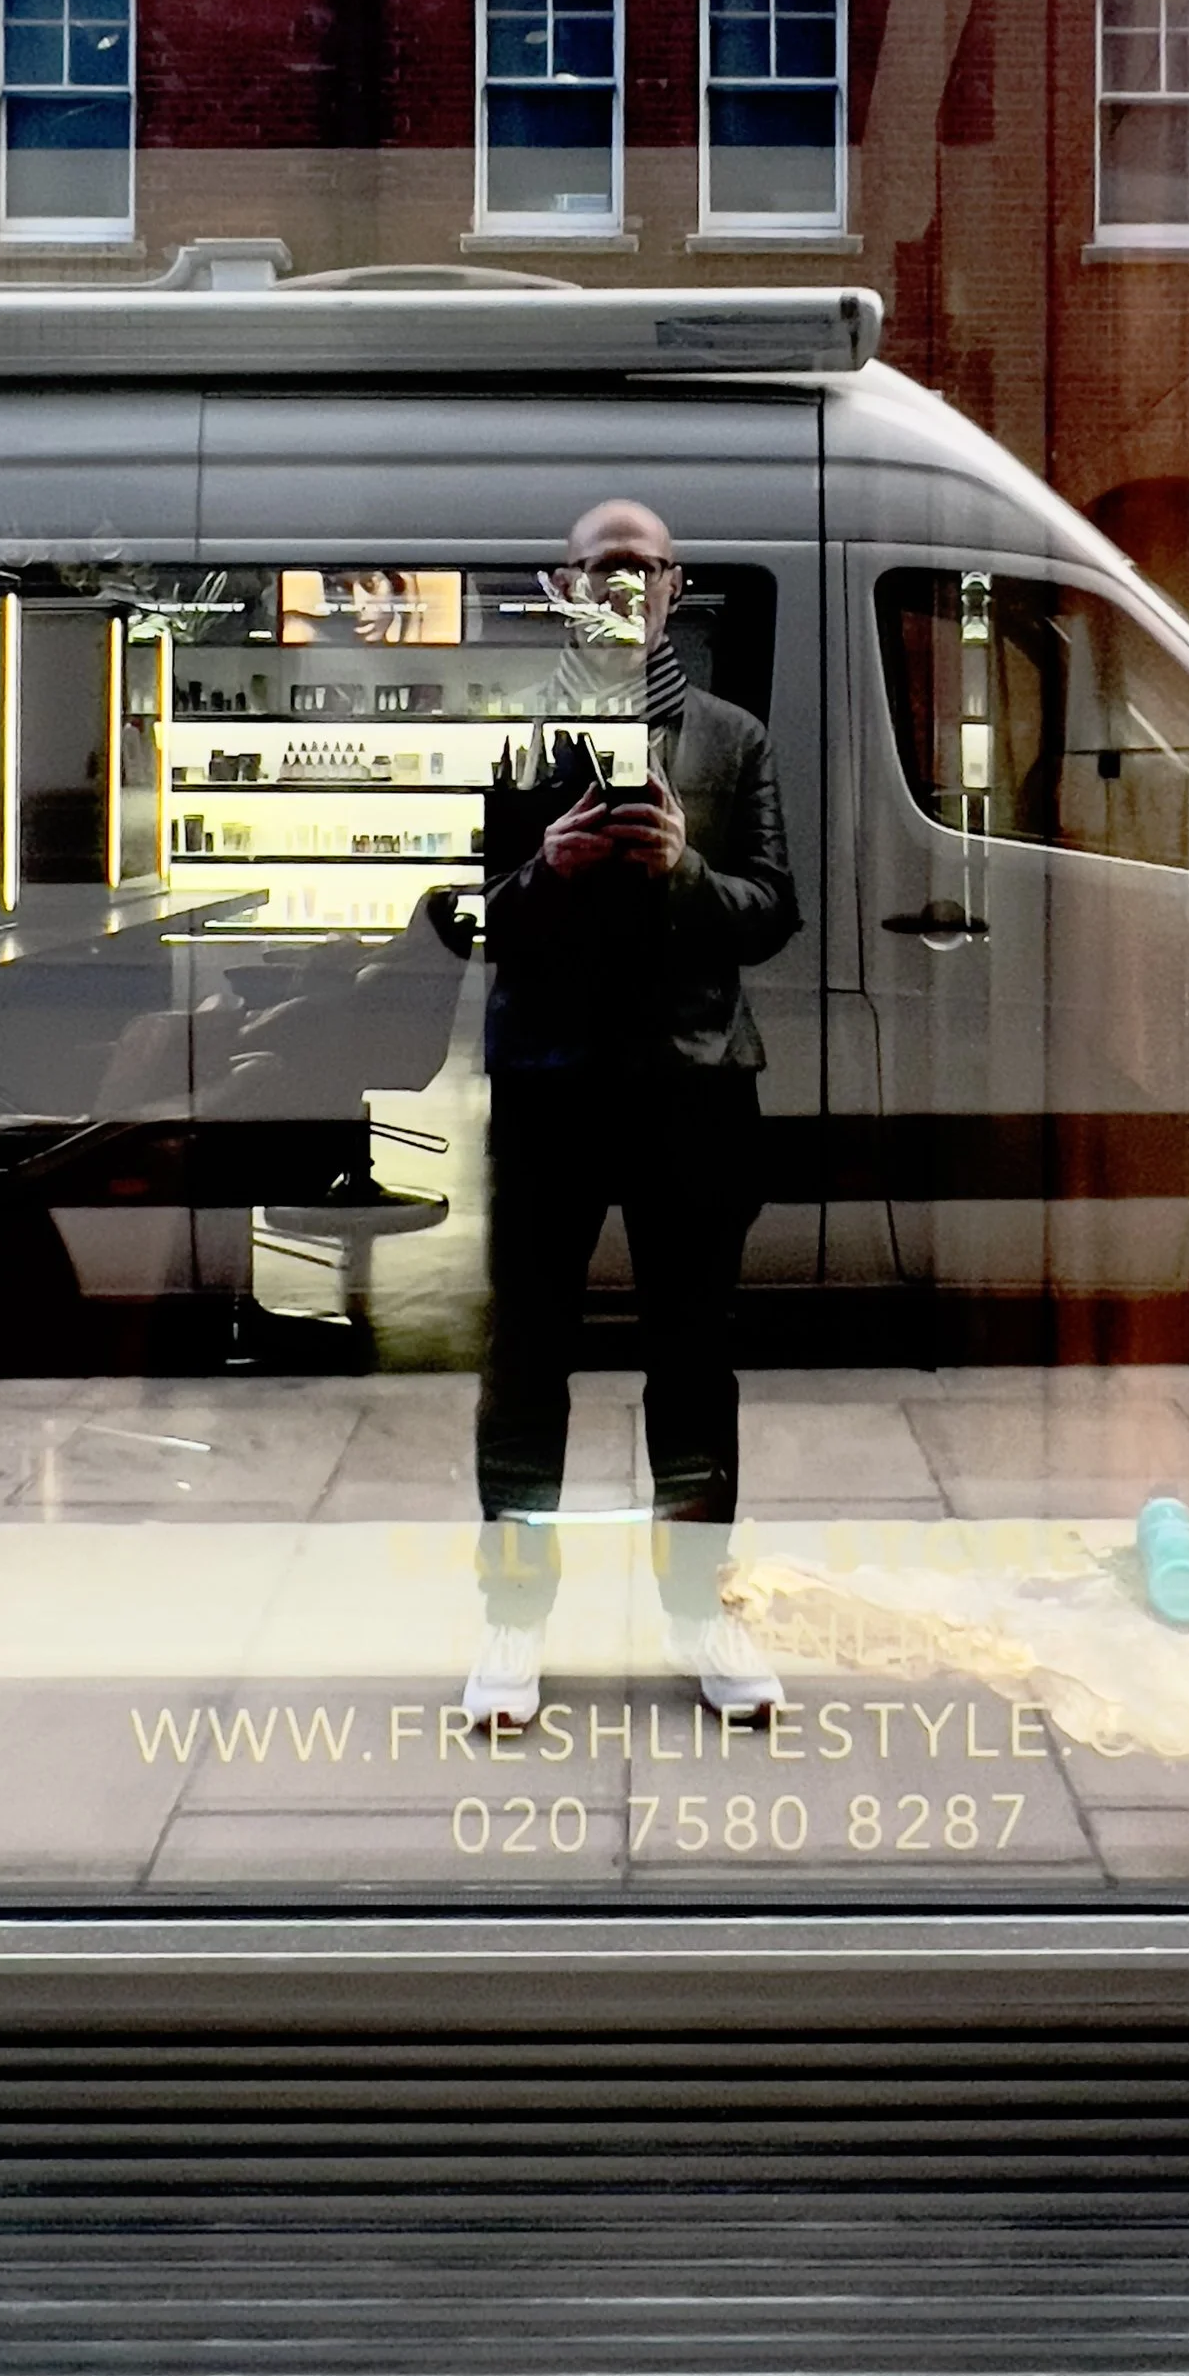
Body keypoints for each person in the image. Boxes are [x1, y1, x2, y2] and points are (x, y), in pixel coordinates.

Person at [463, 497, 800, 1730]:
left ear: (675, 588)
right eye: (601, 568)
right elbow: (445, 916)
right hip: (549, 1088)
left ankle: (700, 1608)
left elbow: (773, 909)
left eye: (643, 569)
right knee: (525, 1360)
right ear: (563, 585)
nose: (623, 586)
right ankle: (512, 1622)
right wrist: (539, 870)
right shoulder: (505, 734)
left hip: (695, 1087)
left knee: (693, 1361)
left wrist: (686, 870)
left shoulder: (729, 737)